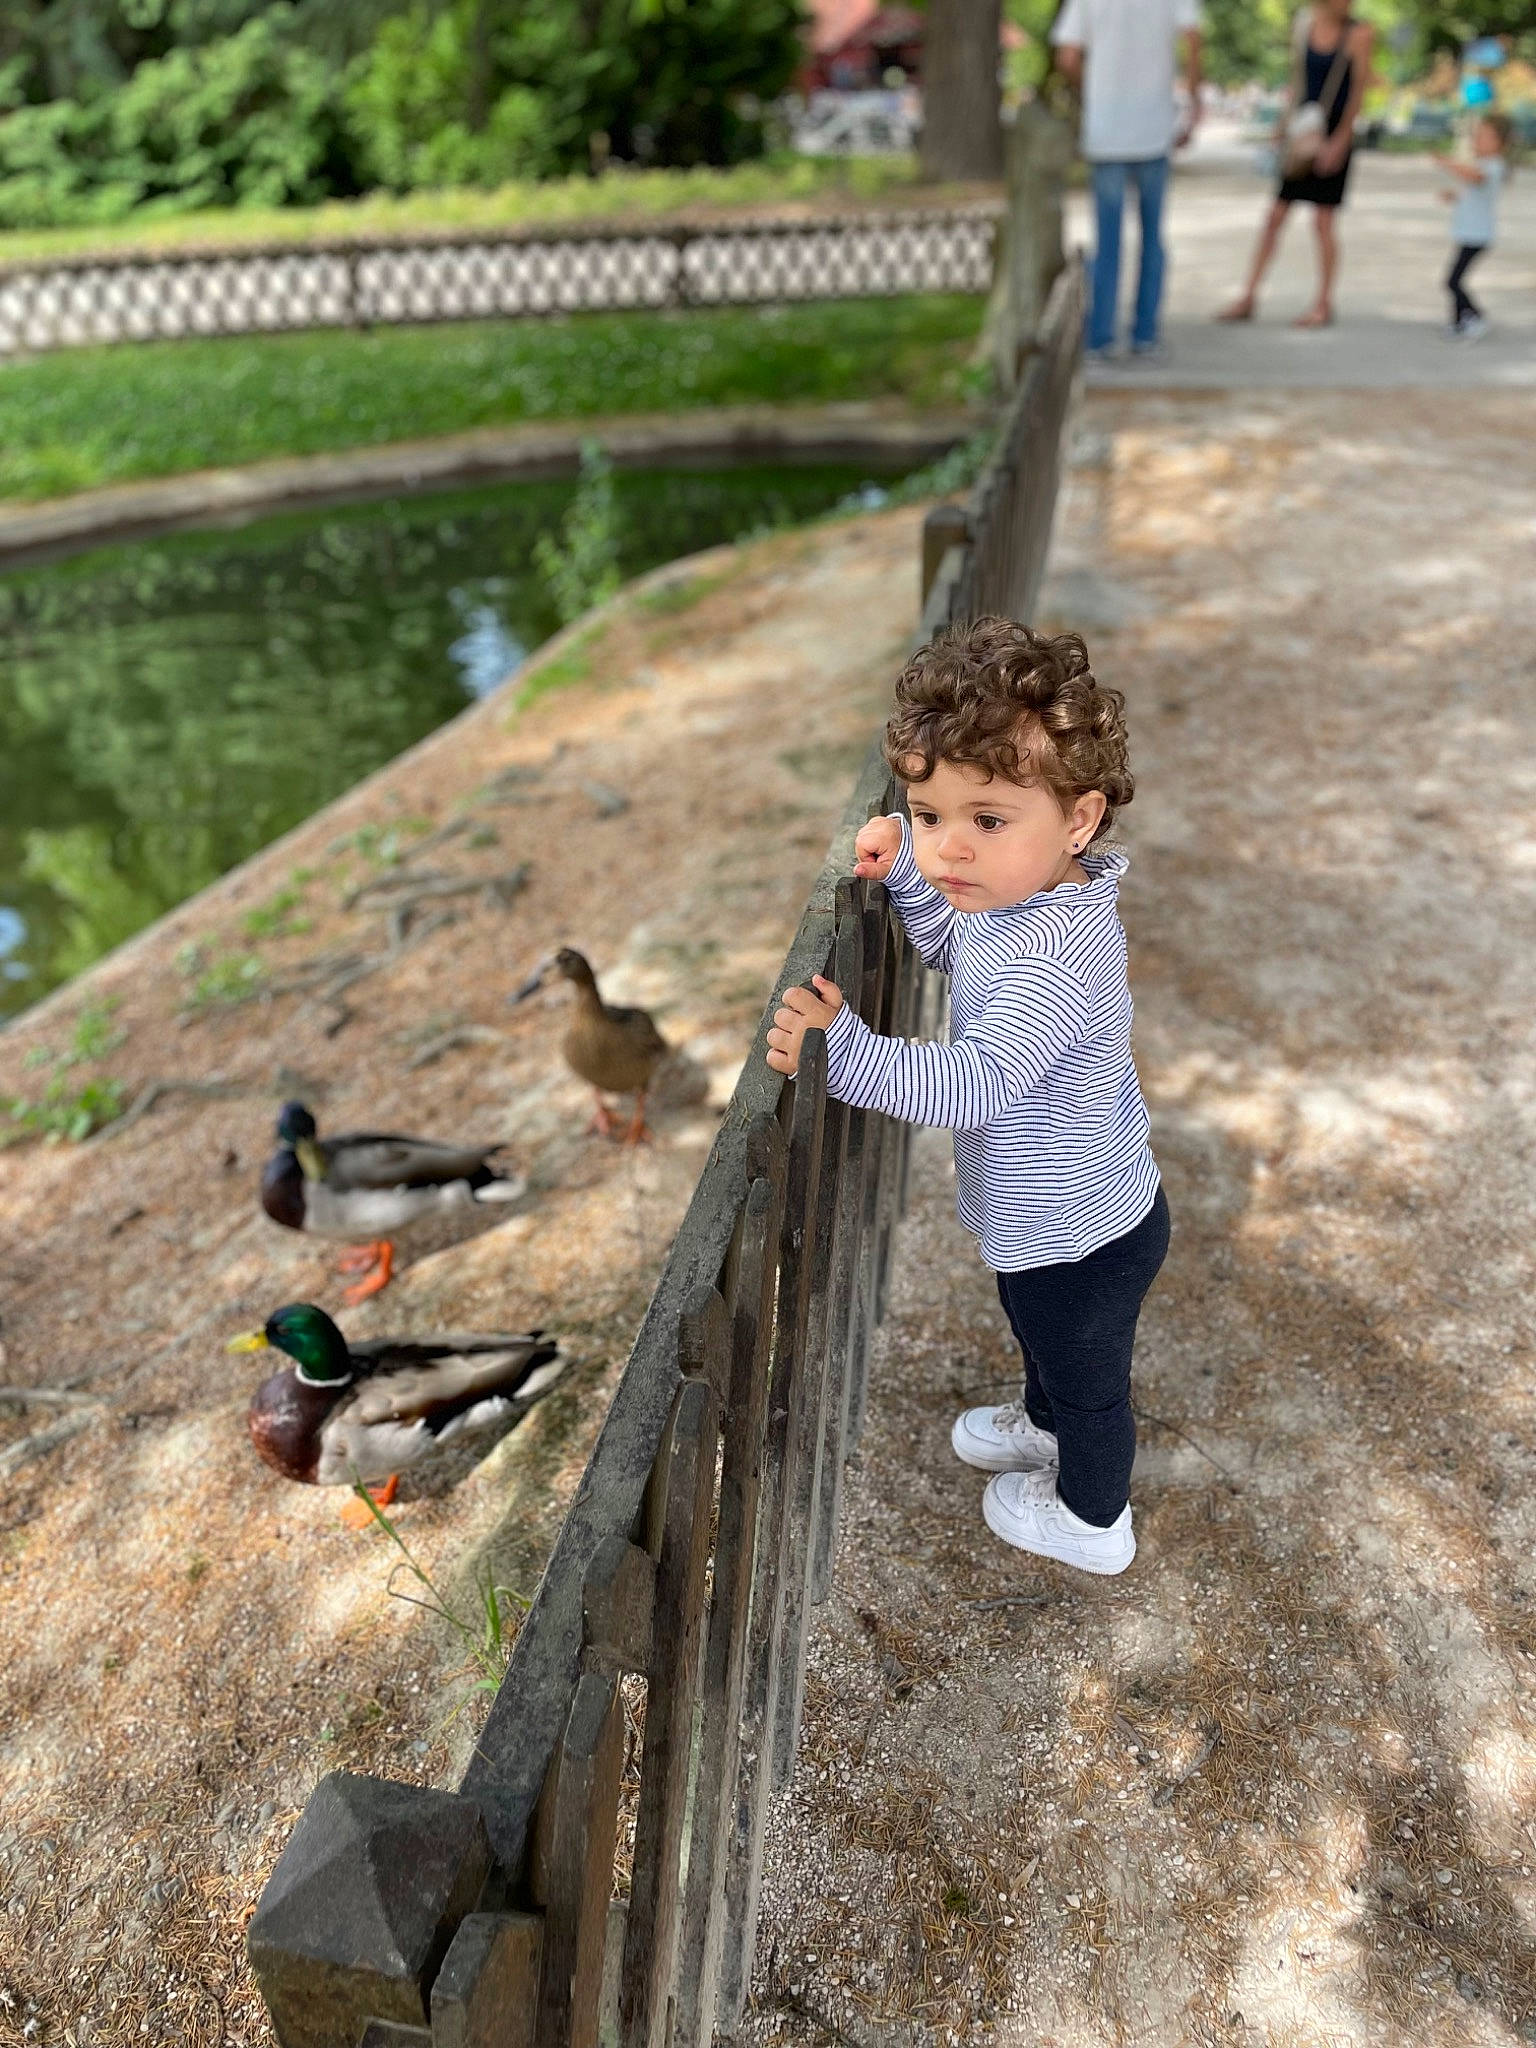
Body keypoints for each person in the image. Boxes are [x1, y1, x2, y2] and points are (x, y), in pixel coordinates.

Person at [765, 619, 1168, 1577]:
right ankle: (1042, 1423)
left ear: (1080, 820)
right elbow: (955, 946)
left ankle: (1092, 1516)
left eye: (986, 821)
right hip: (1052, 1215)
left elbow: (978, 1078)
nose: (951, 848)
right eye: (928, 814)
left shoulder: (1053, 954)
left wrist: (850, 1049)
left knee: (1089, 1375)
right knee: (1037, 1331)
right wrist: (906, 876)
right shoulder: (1014, 902)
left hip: (1086, 1232)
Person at [1050, 0, 1205, 363]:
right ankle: (1145, 334)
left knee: (1107, 240)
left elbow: (1068, 57)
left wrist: (1096, 84)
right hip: (1154, 125)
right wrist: (1194, 100)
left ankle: (1101, 337)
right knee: (1153, 237)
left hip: (1106, 130)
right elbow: (1194, 39)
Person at [1219, 1, 1374, 329]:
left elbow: (1358, 92)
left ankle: (1323, 303)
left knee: (1323, 221)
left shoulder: (1359, 33)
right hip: (1302, 132)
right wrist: (1282, 126)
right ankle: (1248, 295)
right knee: (1274, 216)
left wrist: (1341, 141)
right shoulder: (1304, 24)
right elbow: (1297, 80)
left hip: (1333, 134)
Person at [1433, 111, 1511, 341]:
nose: (1478, 140)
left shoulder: (1494, 166)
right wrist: (1453, 196)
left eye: (1485, 136)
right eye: (1477, 136)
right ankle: (1459, 322)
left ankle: (1475, 317)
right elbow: (1470, 189)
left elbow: (1475, 177)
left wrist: (1448, 162)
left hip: (1478, 236)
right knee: (1454, 280)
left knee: (1453, 281)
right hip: (1467, 233)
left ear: (1500, 143)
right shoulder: (1481, 164)